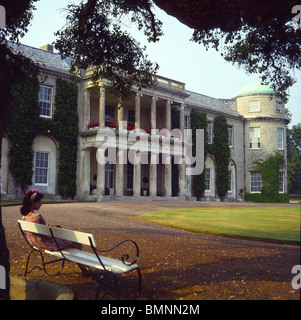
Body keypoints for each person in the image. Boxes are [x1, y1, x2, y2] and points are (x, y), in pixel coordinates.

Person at [20, 190, 91, 276]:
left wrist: (51, 226)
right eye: (39, 201)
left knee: (70, 242)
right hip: (48, 244)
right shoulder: (37, 216)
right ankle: (83, 269)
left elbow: (43, 228)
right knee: (77, 243)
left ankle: (83, 266)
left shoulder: (24, 217)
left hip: (36, 243)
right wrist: (55, 229)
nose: (41, 204)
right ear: (32, 202)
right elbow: (47, 233)